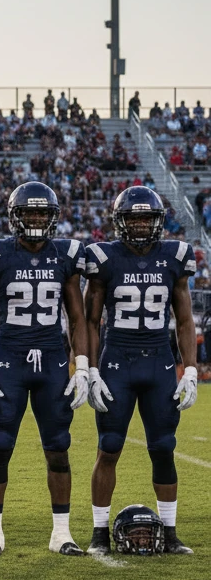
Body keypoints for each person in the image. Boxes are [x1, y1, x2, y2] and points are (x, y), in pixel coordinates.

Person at [0, 182, 90, 556]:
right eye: (29, 212)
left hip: (53, 360)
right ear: (15, 216)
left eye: (42, 212)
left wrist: (83, 367)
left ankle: (61, 533)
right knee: (0, 445)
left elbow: (77, 316)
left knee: (58, 447)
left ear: (53, 217)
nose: (36, 219)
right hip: (9, 359)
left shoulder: (66, 255)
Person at [83, 186, 199, 554]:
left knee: (164, 448)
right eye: (133, 218)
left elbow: (184, 320)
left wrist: (191, 370)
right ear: (120, 222)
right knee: (110, 447)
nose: (139, 225)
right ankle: (100, 533)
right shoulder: (105, 258)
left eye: (145, 218)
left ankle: (170, 532)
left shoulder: (174, 256)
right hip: (117, 362)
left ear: (158, 222)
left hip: (159, 362)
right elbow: (89, 319)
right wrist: (90, 370)